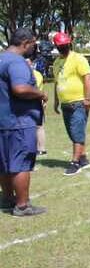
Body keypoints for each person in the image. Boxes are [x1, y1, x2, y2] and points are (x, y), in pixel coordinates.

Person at [0, 28, 47, 216]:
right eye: (33, 44)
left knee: (4, 163)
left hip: (3, 121)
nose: (33, 48)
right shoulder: (17, 62)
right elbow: (20, 88)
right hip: (18, 121)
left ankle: (7, 198)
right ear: (25, 43)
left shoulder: (1, 58)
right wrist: (41, 93)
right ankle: (22, 205)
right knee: (21, 163)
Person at [52, 32, 90, 176]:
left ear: (69, 44)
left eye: (65, 45)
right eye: (60, 46)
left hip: (78, 102)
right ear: (56, 47)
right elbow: (57, 83)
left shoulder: (78, 59)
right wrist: (56, 101)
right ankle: (83, 158)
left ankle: (75, 163)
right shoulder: (56, 62)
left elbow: (87, 78)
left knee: (77, 132)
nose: (63, 48)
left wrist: (87, 99)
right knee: (72, 133)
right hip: (65, 104)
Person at [27, 59, 47, 155]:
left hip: (35, 101)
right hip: (35, 101)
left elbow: (34, 89)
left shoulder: (35, 75)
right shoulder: (36, 74)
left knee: (39, 126)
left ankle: (41, 148)